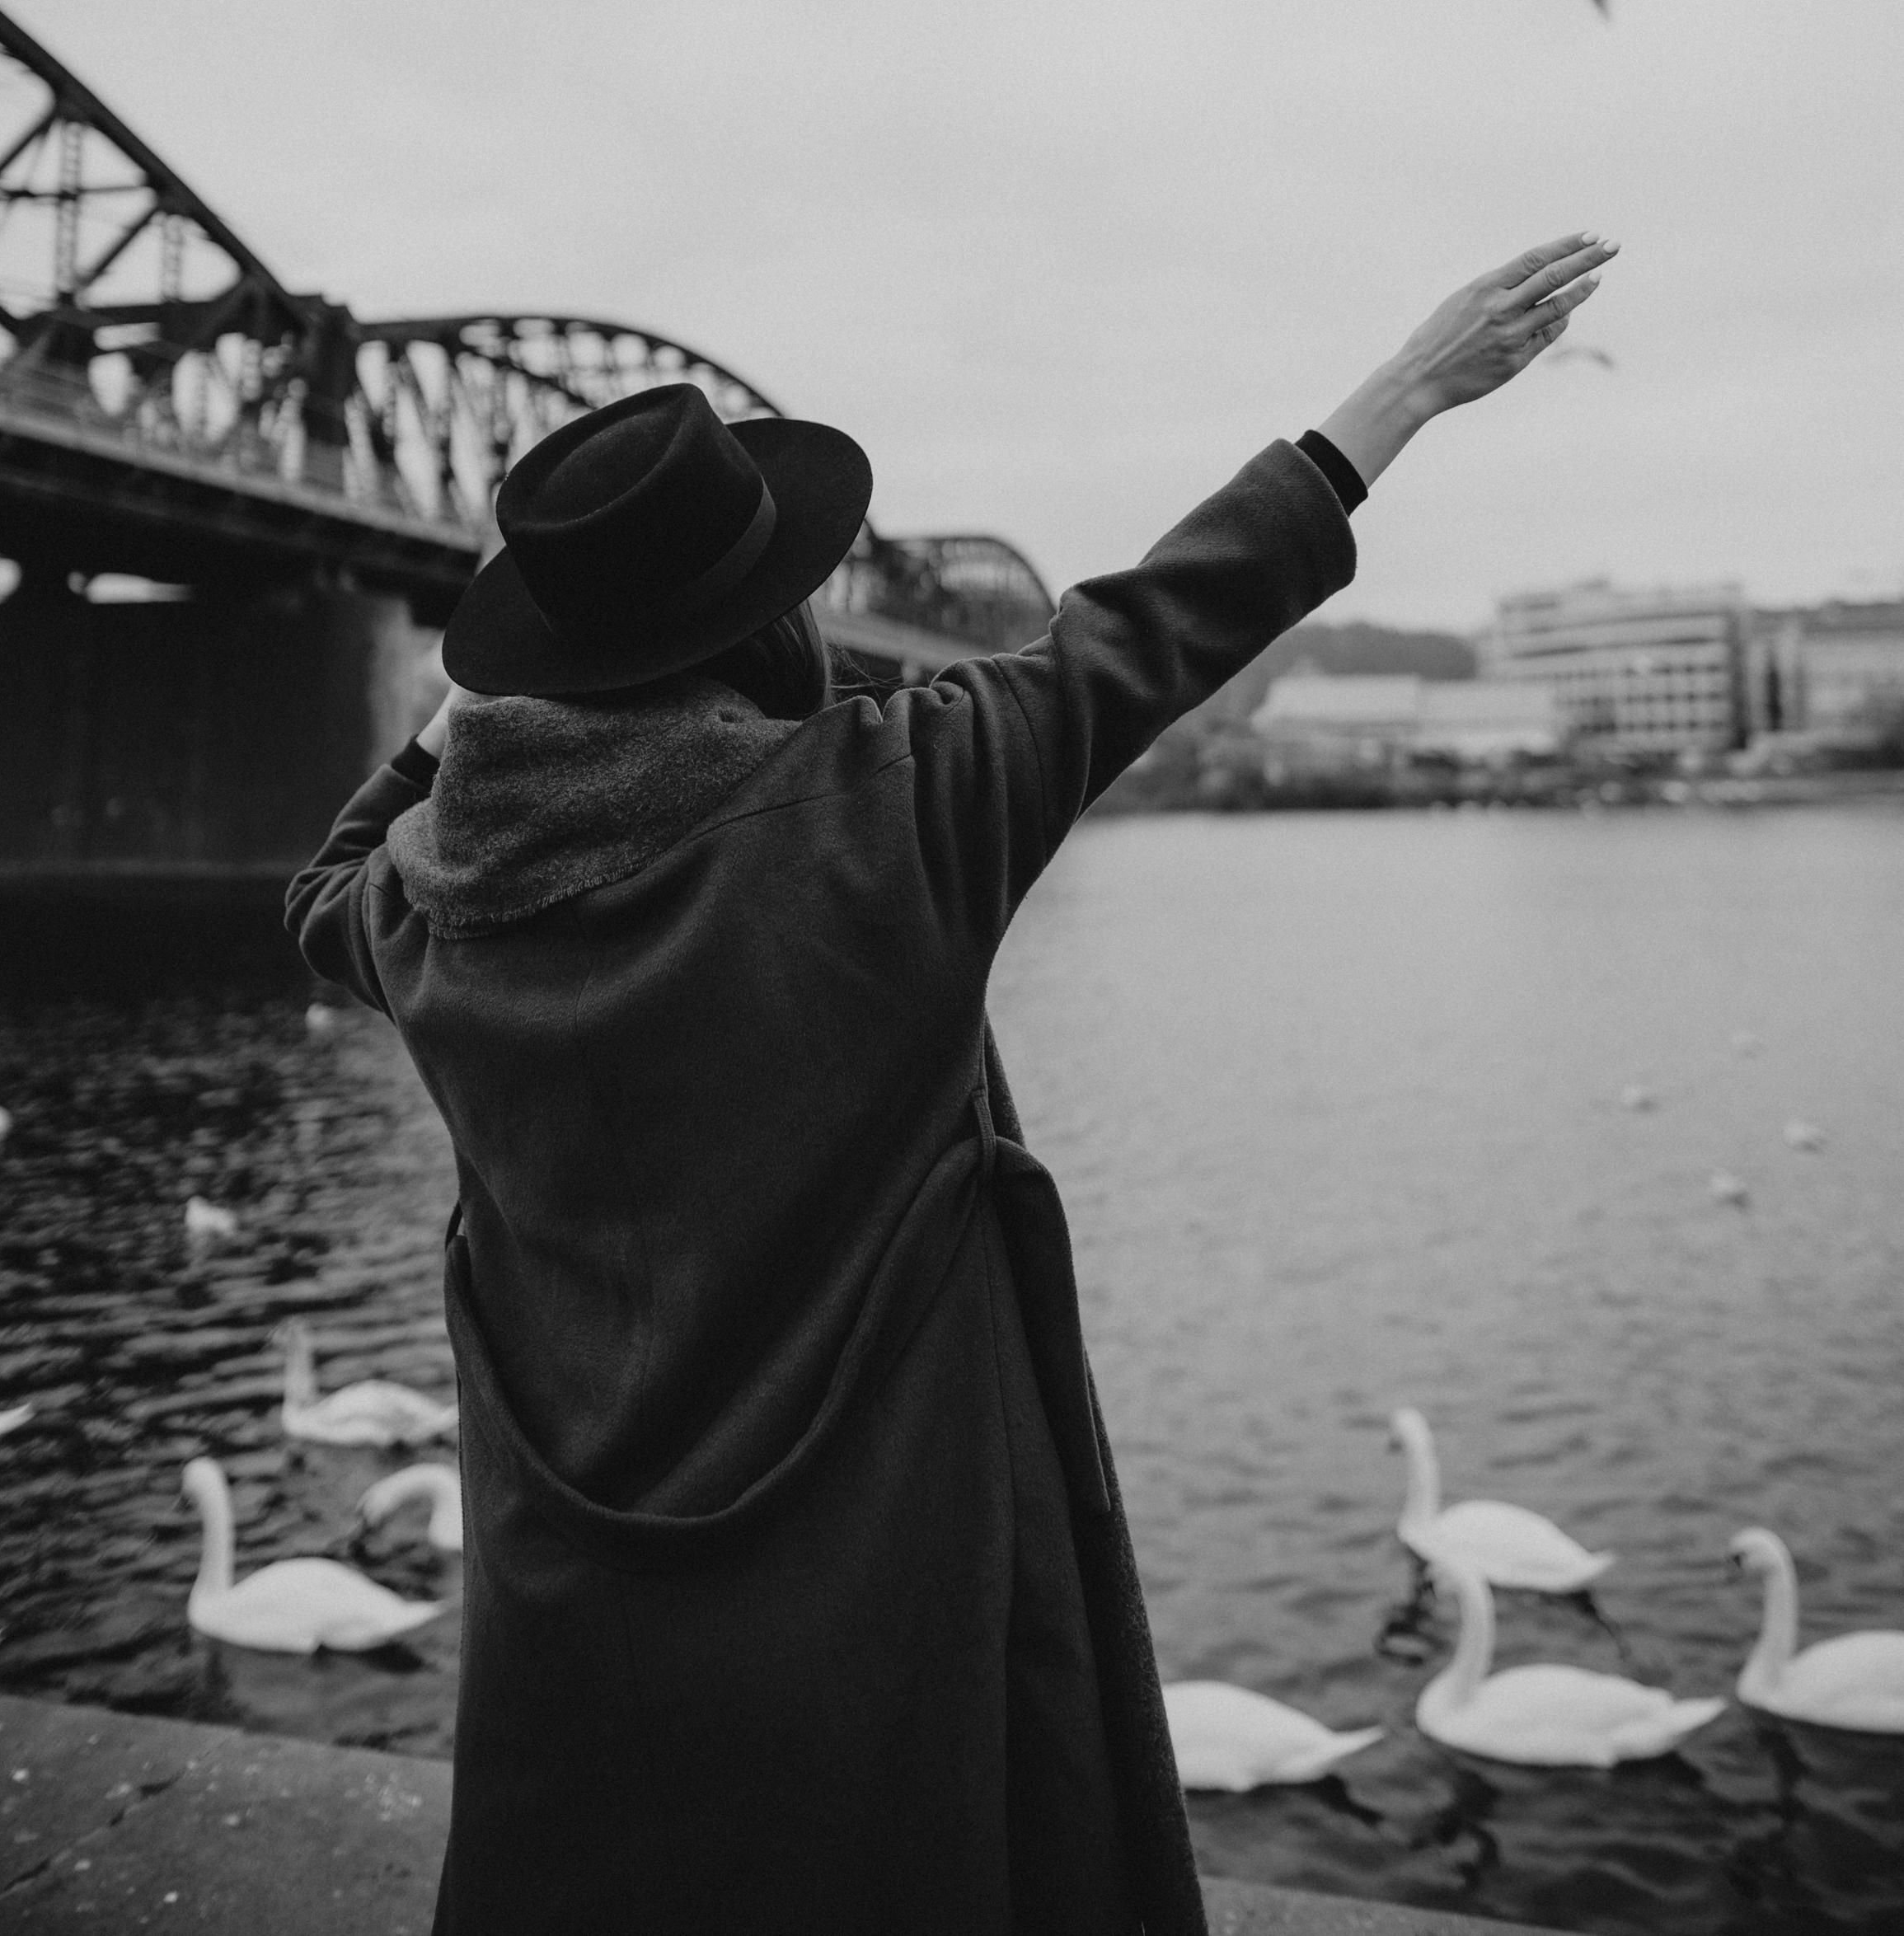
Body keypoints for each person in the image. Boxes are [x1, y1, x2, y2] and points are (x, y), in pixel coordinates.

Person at [288, 228, 1616, 1936]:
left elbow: (320, 883)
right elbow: (1159, 622)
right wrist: (1408, 390)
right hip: (879, 1543)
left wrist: (454, 718)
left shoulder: (430, 910)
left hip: (577, 1560)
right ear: (766, 614)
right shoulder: (894, 807)